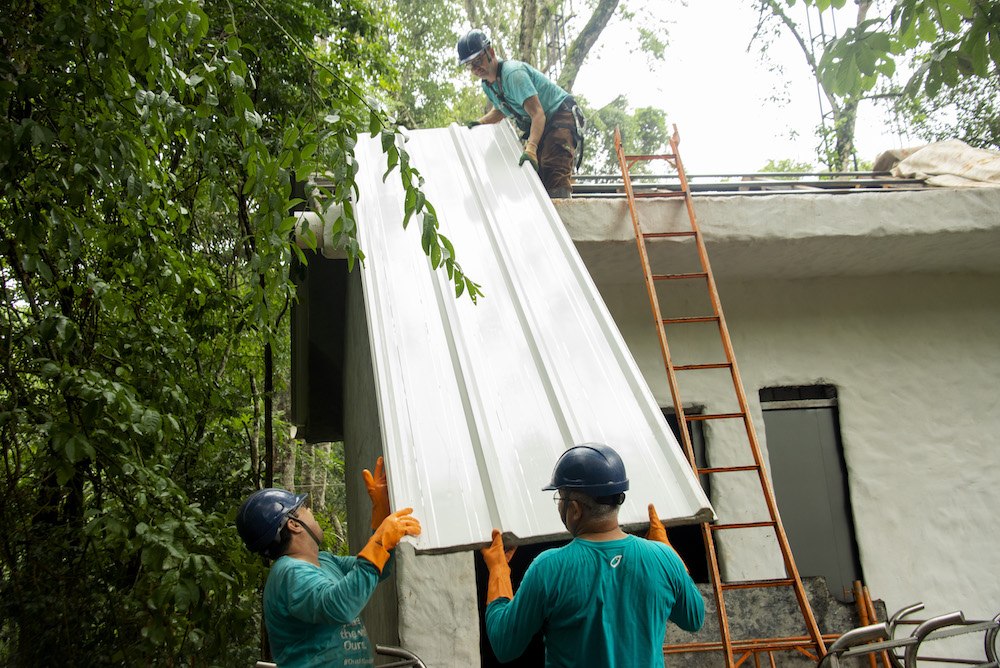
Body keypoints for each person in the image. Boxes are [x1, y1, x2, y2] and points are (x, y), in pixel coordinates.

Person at [479, 442, 705, 667]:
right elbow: (694, 617)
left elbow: (504, 645)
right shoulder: (663, 557)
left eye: (559, 498)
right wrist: (669, 551)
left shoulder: (549, 568)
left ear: (575, 509)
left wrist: (499, 569)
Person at [236, 457, 420, 668]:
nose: (310, 511)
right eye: (303, 507)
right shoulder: (288, 573)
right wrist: (379, 542)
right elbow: (339, 606)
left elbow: (379, 569)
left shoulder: (324, 561)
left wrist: (380, 513)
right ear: (294, 525)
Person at [458, 28, 583, 199]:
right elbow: (501, 109)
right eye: (470, 65)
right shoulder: (488, 85)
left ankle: (563, 218)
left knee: (553, 170)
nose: (476, 67)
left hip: (559, 115)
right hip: (542, 125)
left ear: (491, 52)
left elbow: (538, 114)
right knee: (535, 178)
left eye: (478, 60)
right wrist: (482, 122)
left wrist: (531, 148)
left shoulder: (513, 74)